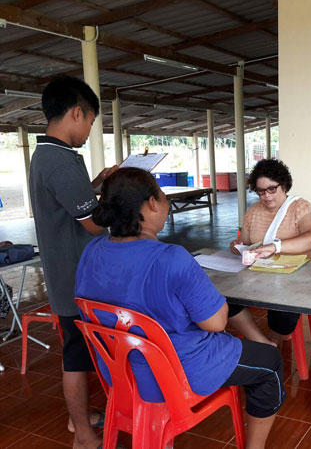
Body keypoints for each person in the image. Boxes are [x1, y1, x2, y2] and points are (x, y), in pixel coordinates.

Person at [75, 168, 284, 449]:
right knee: (270, 363)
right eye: (163, 197)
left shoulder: (92, 250)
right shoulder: (171, 258)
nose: (166, 204)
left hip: (119, 374)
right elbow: (216, 323)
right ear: (151, 203)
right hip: (177, 371)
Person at [29, 76, 118, 449]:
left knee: (77, 351)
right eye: (91, 122)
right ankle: (82, 433)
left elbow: (71, 203)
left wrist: (97, 182)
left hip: (67, 272)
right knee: (76, 356)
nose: (88, 131)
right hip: (75, 279)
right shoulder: (60, 162)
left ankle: (78, 419)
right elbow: (94, 225)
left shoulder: (48, 155)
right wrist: (123, 199)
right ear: (77, 112)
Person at [229, 159, 311, 344]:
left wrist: (275, 246)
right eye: (261, 191)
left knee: (284, 315)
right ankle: (264, 344)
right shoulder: (253, 212)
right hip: (260, 276)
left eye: (272, 189)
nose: (267, 196)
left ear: (284, 185)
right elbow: (245, 243)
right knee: (223, 300)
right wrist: (237, 247)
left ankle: (272, 340)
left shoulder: (299, 207)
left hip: (294, 278)